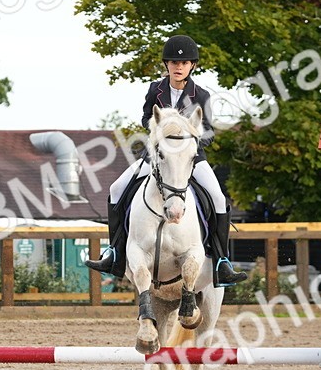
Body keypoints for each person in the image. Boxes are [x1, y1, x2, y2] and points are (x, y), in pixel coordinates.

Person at [85, 35, 244, 286]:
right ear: (166, 65)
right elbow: (146, 118)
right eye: (173, 62)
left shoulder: (201, 95)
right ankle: (114, 253)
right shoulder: (154, 90)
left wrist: (188, 144)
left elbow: (209, 130)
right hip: (157, 156)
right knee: (116, 188)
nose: (178, 67)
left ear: (192, 66)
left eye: (184, 63)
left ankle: (222, 261)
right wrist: (158, 133)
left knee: (217, 197)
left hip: (190, 157)